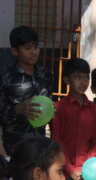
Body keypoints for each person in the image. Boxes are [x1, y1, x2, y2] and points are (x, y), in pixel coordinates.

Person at [0, 26, 52, 155]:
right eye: (28, 48)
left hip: (40, 145)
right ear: (15, 51)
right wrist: (17, 109)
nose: (34, 52)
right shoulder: (6, 79)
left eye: (36, 47)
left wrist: (52, 110)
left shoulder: (46, 75)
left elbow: (49, 105)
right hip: (15, 147)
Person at [50, 58, 96, 179]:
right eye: (78, 77)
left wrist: (88, 166)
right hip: (63, 170)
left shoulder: (93, 108)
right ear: (67, 80)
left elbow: (95, 139)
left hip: (86, 170)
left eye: (86, 78)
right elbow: (56, 140)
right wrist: (69, 168)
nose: (83, 82)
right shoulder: (58, 108)